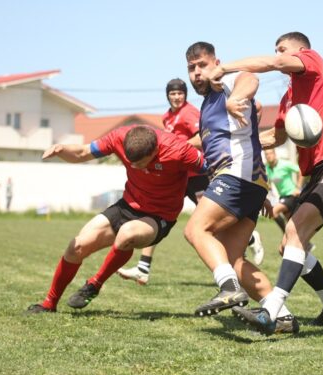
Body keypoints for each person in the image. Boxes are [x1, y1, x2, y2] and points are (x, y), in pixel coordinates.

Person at [210, 32, 323, 334]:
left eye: (282, 48)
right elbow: (275, 137)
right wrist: (232, 140)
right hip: (318, 172)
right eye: (276, 49)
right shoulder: (288, 99)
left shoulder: (313, 62)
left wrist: (226, 69)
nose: (278, 53)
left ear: (300, 50)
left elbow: (275, 63)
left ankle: (270, 311)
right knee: (289, 244)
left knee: (294, 230)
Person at [182, 41, 299, 332]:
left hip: (234, 176)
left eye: (202, 65)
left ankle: (228, 289)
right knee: (233, 259)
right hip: (250, 182)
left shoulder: (225, 81)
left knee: (195, 229)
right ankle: (281, 316)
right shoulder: (208, 104)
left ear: (216, 62)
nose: (197, 73)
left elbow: (250, 78)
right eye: (191, 68)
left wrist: (236, 97)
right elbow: (211, 139)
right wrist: (174, 147)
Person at [25, 125, 205, 314]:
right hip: (127, 205)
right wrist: (62, 149)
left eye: (141, 163)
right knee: (76, 246)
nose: (135, 167)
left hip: (159, 216)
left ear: (155, 151)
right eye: (131, 162)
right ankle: (49, 304)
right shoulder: (119, 137)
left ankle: (94, 284)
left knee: (127, 234)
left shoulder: (178, 150)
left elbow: (213, 169)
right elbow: (83, 152)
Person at [116, 78, 265, 286]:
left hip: (198, 176)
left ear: (185, 95)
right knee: (156, 213)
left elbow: (204, 137)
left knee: (210, 221)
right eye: (172, 94)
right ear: (167, 96)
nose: (176, 97)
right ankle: (143, 267)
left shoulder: (190, 113)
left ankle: (249, 239)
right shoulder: (167, 116)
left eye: (180, 93)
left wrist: (178, 146)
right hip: (179, 176)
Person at [264, 148, 303, 233]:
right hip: (282, 196)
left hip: (291, 195)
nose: (269, 156)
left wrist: (298, 187)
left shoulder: (284, 164)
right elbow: (269, 182)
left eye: (270, 153)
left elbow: (300, 171)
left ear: (275, 154)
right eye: (266, 154)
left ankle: (285, 234)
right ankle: (305, 244)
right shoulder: (267, 168)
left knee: (274, 212)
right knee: (291, 223)